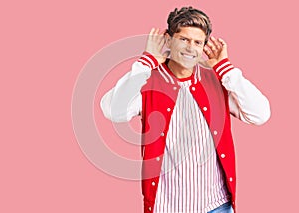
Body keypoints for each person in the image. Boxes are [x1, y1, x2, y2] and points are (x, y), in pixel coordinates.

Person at [100, 6, 270, 213]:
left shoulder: (216, 80)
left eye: (198, 42)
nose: (190, 48)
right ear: (168, 39)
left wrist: (225, 68)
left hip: (216, 205)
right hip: (167, 207)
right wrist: (146, 61)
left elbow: (260, 114)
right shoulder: (147, 82)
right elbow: (114, 111)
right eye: (184, 39)